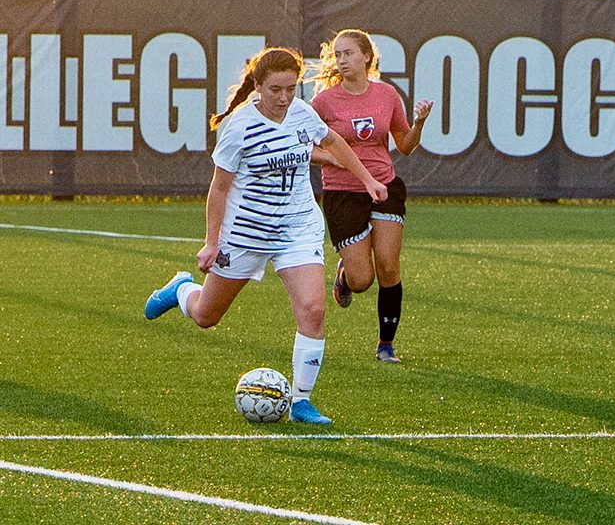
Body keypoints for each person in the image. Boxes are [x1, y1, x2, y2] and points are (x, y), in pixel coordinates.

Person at [143, 46, 387, 425]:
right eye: (276, 90)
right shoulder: (238, 127)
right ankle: (180, 289)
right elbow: (220, 189)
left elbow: (334, 143)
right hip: (246, 232)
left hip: (297, 227)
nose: (284, 98)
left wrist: (367, 179)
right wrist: (211, 242)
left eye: (291, 89)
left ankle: (301, 401)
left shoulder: (302, 114)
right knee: (207, 316)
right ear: (257, 86)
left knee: (314, 309)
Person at [309, 28, 433, 364]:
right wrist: (331, 157)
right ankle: (345, 276)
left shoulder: (387, 95)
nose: (341, 60)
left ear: (367, 56)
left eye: (348, 53)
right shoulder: (323, 102)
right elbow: (299, 147)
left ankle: (386, 345)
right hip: (343, 193)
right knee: (363, 280)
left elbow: (404, 145)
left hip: (384, 186)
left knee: (389, 269)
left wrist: (419, 123)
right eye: (337, 54)